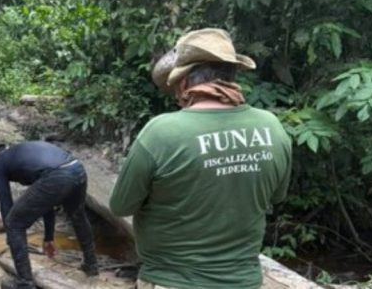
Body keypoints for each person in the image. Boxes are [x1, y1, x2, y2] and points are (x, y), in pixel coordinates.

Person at [109, 28, 292, 289]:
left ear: (184, 82)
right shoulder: (272, 127)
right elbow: (276, 196)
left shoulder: (161, 132)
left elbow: (120, 205)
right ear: (231, 74)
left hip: (172, 282)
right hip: (244, 283)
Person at [0, 141, 99, 289]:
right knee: (77, 215)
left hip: (57, 175)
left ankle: (25, 283)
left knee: (14, 223)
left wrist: (11, 236)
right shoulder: (22, 154)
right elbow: (46, 202)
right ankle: (91, 264)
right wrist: (48, 237)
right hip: (76, 167)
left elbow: (6, 204)